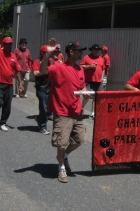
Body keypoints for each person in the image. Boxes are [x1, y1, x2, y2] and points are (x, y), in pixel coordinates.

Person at [39, 40, 89, 183]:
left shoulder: (80, 69)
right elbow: (43, 71)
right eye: (79, 51)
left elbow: (82, 86)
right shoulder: (58, 68)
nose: (81, 53)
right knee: (61, 142)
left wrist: (85, 92)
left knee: (80, 139)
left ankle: (65, 156)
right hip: (62, 112)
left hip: (76, 111)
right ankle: (61, 168)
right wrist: (47, 55)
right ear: (71, 52)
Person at [0, 27, 23, 132]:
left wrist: (20, 83)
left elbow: (17, 71)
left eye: (10, 43)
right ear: (3, 44)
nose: (9, 45)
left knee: (7, 105)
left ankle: (2, 122)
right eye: (7, 43)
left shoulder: (13, 56)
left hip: (9, 84)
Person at [80, 43, 105, 119]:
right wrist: (89, 67)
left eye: (97, 50)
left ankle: (93, 113)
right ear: (92, 50)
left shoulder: (101, 59)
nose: (96, 51)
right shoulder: (87, 57)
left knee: (96, 98)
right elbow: (81, 66)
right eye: (95, 50)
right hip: (89, 80)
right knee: (86, 96)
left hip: (98, 81)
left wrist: (102, 77)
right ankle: (81, 109)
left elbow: (103, 68)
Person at [32, 45, 53, 135]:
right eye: (45, 52)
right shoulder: (37, 61)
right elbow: (36, 73)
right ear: (41, 52)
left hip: (50, 87)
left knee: (49, 109)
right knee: (43, 108)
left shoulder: (51, 61)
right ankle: (43, 126)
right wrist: (44, 70)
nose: (47, 54)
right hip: (41, 88)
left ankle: (40, 119)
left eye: (48, 53)